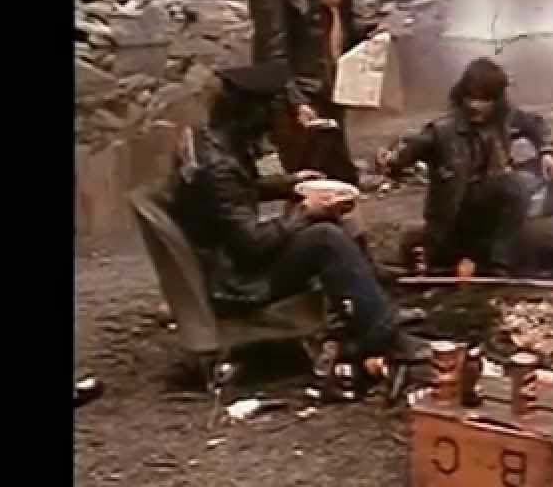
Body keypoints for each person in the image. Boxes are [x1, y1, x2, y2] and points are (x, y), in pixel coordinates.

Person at [168, 60, 413, 383]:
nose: (274, 120)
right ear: (250, 112)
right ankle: (384, 335)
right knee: (325, 238)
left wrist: (291, 184)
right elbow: (252, 244)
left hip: (227, 260)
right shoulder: (219, 165)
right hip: (235, 281)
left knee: (329, 224)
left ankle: (372, 311)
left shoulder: (214, 142)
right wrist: (306, 211)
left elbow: (235, 194)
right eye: (270, 110)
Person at [376, 58, 553, 275]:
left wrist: (546, 152)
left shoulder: (505, 118)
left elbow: (536, 125)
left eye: (484, 99)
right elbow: (404, 155)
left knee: (542, 177)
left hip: (490, 211)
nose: (475, 105)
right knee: (515, 185)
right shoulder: (442, 131)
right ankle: (495, 262)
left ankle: (500, 260)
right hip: (454, 216)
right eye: (471, 97)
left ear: (496, 100)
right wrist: (393, 161)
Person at [248, 0, 383, 185]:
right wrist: (294, 101)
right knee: (312, 180)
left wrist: (368, 33)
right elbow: (271, 47)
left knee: (338, 178)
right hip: (301, 90)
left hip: (330, 85)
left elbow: (335, 20)